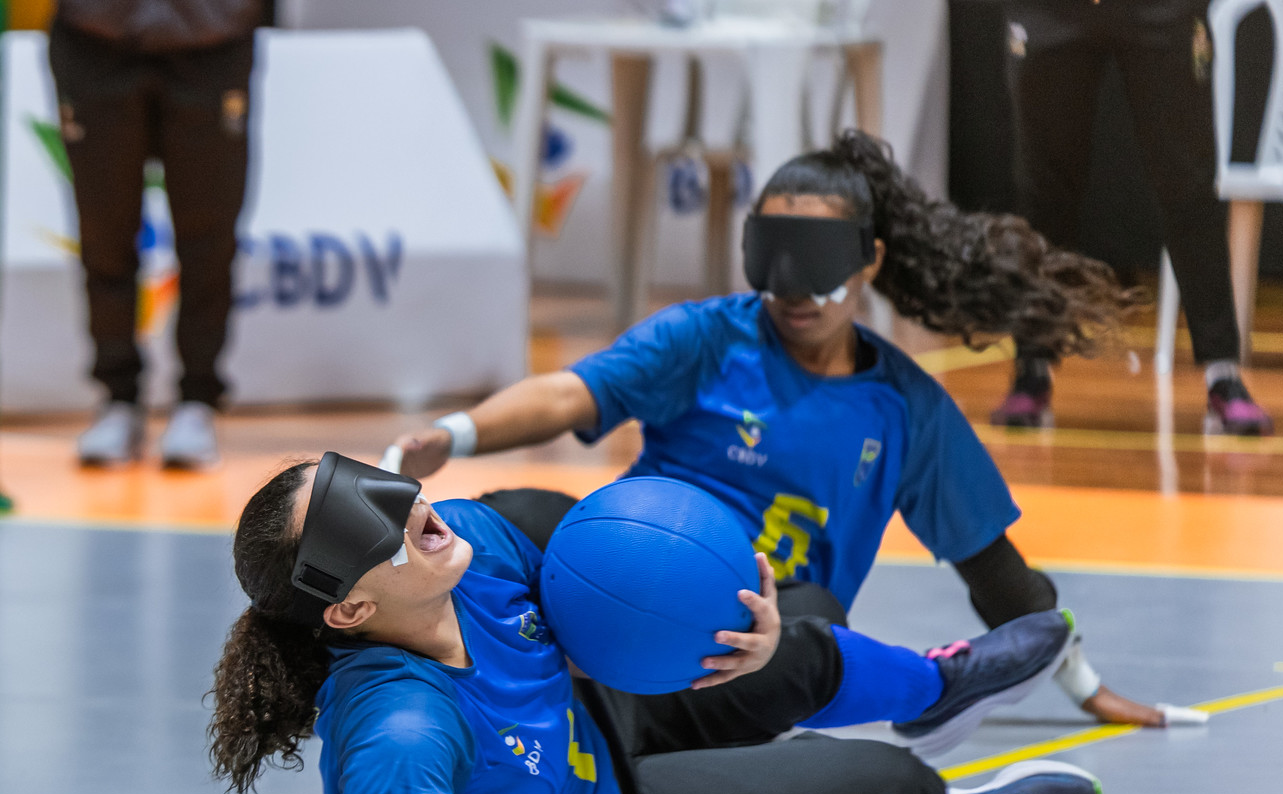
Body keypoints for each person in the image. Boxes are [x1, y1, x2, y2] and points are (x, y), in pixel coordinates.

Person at [207, 454, 1104, 794]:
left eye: (383, 485)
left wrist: (744, 656)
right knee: (889, 785)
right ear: (351, 609)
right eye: (371, 524)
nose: (411, 507)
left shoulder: (469, 545)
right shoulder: (398, 724)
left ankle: (932, 687)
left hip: (585, 726)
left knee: (787, 626)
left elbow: (588, 630)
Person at [387, 131, 1203, 732]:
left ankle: (641, 723)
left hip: (755, 626)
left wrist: (1084, 681)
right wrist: (454, 434)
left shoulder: (905, 407)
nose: (795, 288)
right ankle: (426, 670)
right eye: (775, 253)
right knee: (511, 510)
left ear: (869, 261)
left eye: (818, 258)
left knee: (811, 623)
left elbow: (996, 570)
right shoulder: (709, 337)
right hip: (633, 574)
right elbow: (572, 394)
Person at [995, 0, 1270, 435]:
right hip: (1049, 13)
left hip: (1158, 11)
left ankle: (1222, 372)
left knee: (1189, 185)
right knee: (1044, 192)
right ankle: (1032, 365)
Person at [50, 0, 260, 470]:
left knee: (209, 234)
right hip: (95, 37)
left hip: (212, 39)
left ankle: (198, 400)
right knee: (104, 230)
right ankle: (118, 397)